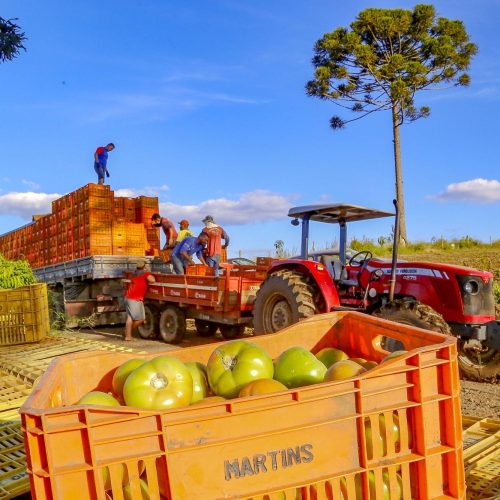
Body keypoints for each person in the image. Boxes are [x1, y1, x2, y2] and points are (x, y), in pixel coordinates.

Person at [123, 259, 155, 341]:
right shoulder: (144, 273)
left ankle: (128, 336)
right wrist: (148, 273)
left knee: (130, 318)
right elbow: (152, 280)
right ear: (144, 266)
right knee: (141, 319)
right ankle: (127, 333)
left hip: (128, 297)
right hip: (134, 299)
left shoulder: (134, 273)